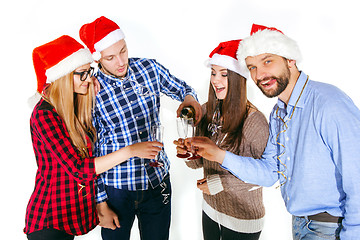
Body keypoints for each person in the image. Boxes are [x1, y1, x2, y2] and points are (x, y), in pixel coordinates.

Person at [190, 24, 360, 239]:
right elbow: (270, 173)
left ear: (290, 60)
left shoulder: (329, 103)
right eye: (251, 67)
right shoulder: (279, 113)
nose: (260, 74)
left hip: (331, 227)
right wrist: (218, 155)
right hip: (302, 225)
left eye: (267, 61)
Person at [24, 35, 163, 240]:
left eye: (89, 72)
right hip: (50, 219)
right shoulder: (44, 114)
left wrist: (101, 205)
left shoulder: (74, 105)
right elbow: (80, 169)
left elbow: (95, 152)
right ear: (63, 77)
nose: (89, 78)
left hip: (73, 213)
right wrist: (131, 150)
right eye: (82, 74)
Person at [78, 16, 202, 240]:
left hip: (157, 182)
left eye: (123, 51)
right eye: (110, 57)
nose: (120, 62)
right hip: (117, 188)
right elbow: (90, 151)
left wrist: (190, 99)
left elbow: (183, 88)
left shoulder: (149, 68)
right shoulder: (90, 90)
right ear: (98, 60)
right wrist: (100, 202)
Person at [174, 40, 269, 240]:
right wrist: (189, 151)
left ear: (238, 78)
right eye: (213, 73)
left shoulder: (255, 122)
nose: (216, 80)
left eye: (224, 74)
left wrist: (219, 183)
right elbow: (197, 164)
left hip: (242, 219)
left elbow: (265, 176)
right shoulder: (208, 109)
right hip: (210, 209)